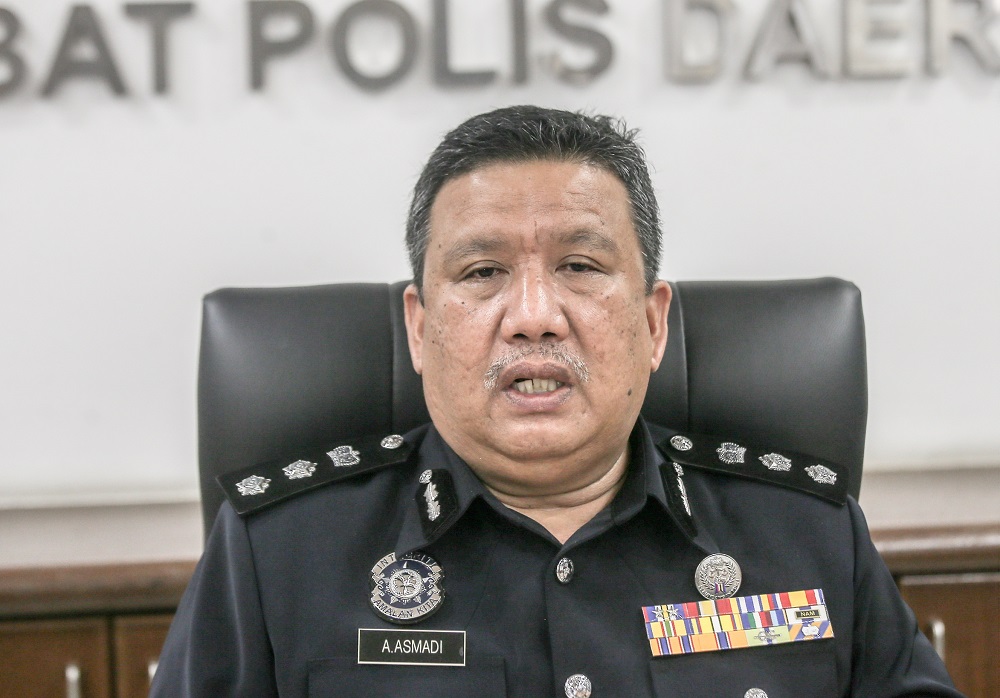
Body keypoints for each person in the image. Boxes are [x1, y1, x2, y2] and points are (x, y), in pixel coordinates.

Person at [151, 106, 962, 697]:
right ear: (419, 327)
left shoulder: (807, 535)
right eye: (481, 273)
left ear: (652, 323)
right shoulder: (279, 553)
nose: (534, 315)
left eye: (579, 265)